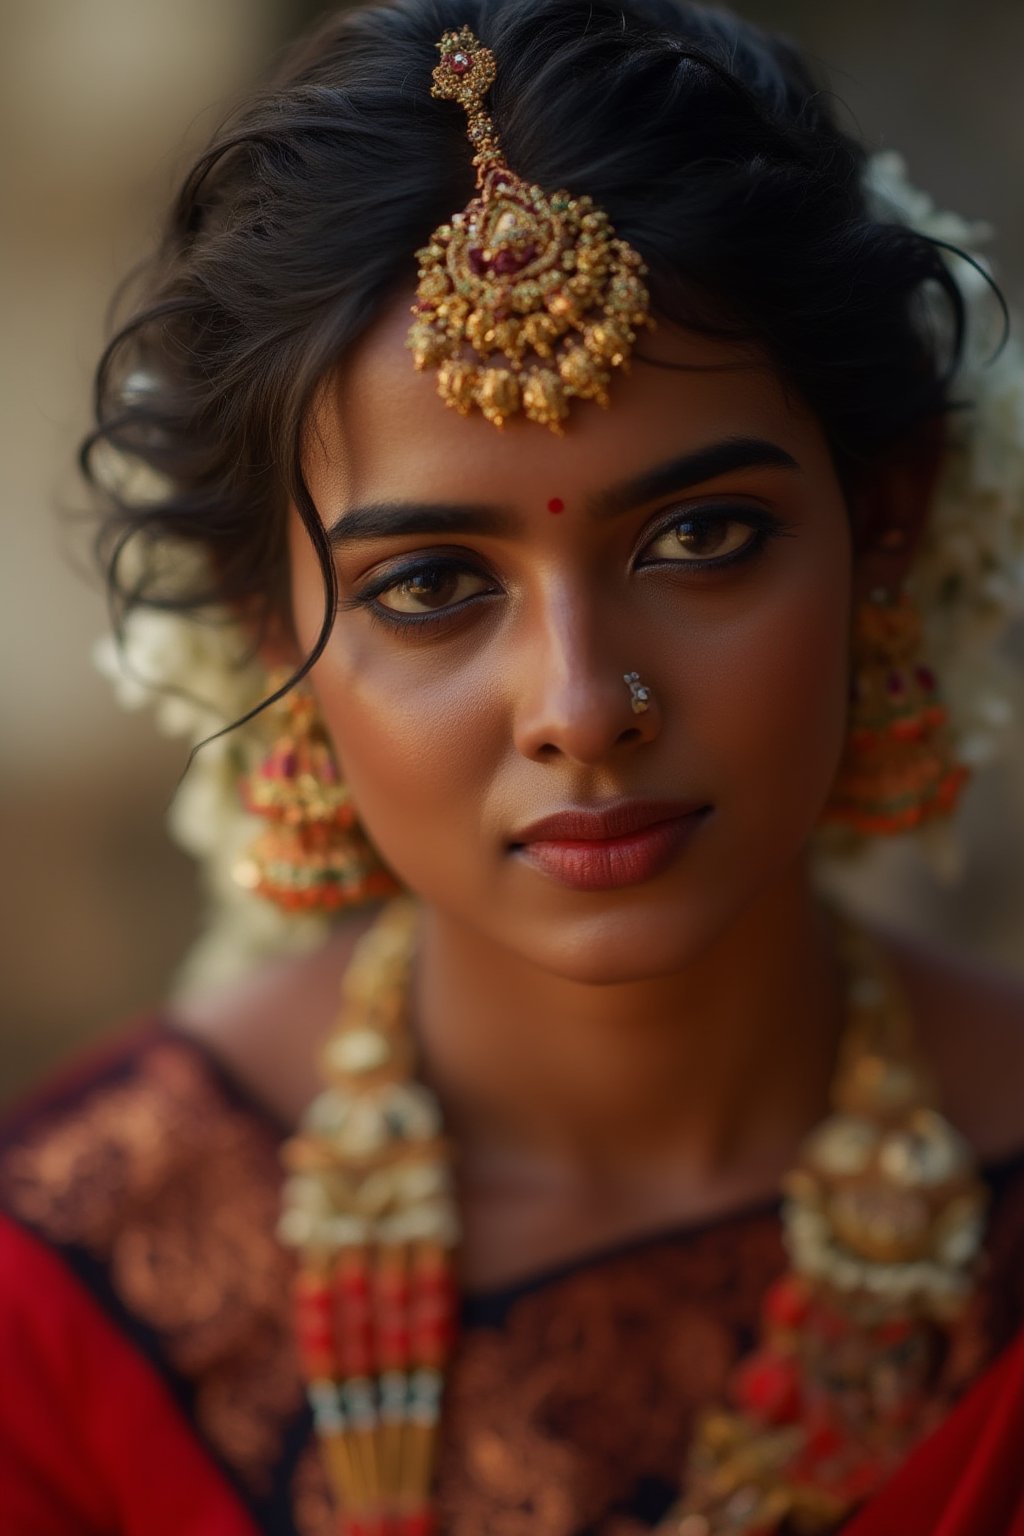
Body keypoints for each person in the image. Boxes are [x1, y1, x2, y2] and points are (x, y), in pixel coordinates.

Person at [2, 0, 1024, 1531]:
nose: (582, 705)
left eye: (701, 539)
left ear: (884, 517)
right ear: (263, 618)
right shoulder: (66, 1309)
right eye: (430, 585)